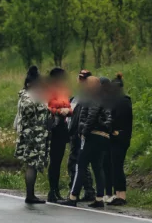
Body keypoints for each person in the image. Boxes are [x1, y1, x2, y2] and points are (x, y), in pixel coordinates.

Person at [61, 76, 112, 208]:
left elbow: (91, 116)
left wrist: (83, 131)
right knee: (97, 167)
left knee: (81, 165)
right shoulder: (105, 98)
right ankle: (99, 198)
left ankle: (73, 196)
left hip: (93, 135)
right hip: (103, 136)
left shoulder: (92, 98)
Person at [14, 66, 52, 204]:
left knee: (34, 164)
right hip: (32, 136)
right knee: (31, 164)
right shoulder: (29, 96)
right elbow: (28, 111)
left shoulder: (31, 95)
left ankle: (31, 194)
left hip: (37, 135)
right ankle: (30, 195)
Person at [104, 73, 133, 206]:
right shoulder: (124, 100)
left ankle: (121, 195)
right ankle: (118, 194)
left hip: (118, 137)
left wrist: (111, 130)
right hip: (121, 136)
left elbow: (114, 119)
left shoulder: (120, 101)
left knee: (117, 166)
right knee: (115, 166)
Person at [65, 70, 95, 201]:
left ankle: (77, 192)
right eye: (80, 78)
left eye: (83, 79)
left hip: (80, 133)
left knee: (76, 163)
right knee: (78, 163)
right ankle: (87, 191)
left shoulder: (88, 96)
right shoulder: (77, 96)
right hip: (73, 132)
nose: (80, 81)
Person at [45, 68, 72, 203]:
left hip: (62, 127)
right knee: (54, 161)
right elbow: (47, 107)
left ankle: (56, 190)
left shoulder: (63, 92)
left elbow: (70, 107)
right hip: (53, 128)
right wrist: (58, 110)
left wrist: (68, 110)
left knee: (58, 160)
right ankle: (52, 190)